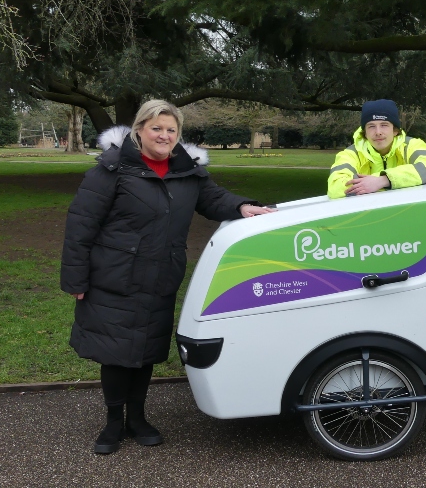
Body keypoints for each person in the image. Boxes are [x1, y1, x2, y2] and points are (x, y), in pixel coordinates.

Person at [60, 100, 275, 454]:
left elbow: (214, 198)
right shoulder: (112, 170)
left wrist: (241, 206)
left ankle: (138, 418)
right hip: (112, 279)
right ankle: (114, 421)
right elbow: (80, 227)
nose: (164, 135)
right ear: (140, 130)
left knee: (145, 350)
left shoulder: (186, 171)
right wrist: (76, 281)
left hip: (161, 277)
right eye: (156, 128)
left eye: (171, 130)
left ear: (178, 135)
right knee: (115, 352)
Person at [327, 99, 426, 198]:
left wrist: (384, 180)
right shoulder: (351, 153)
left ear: (395, 130)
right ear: (365, 132)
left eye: (384, 125)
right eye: (371, 126)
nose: (378, 132)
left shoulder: (412, 145)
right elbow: (336, 186)